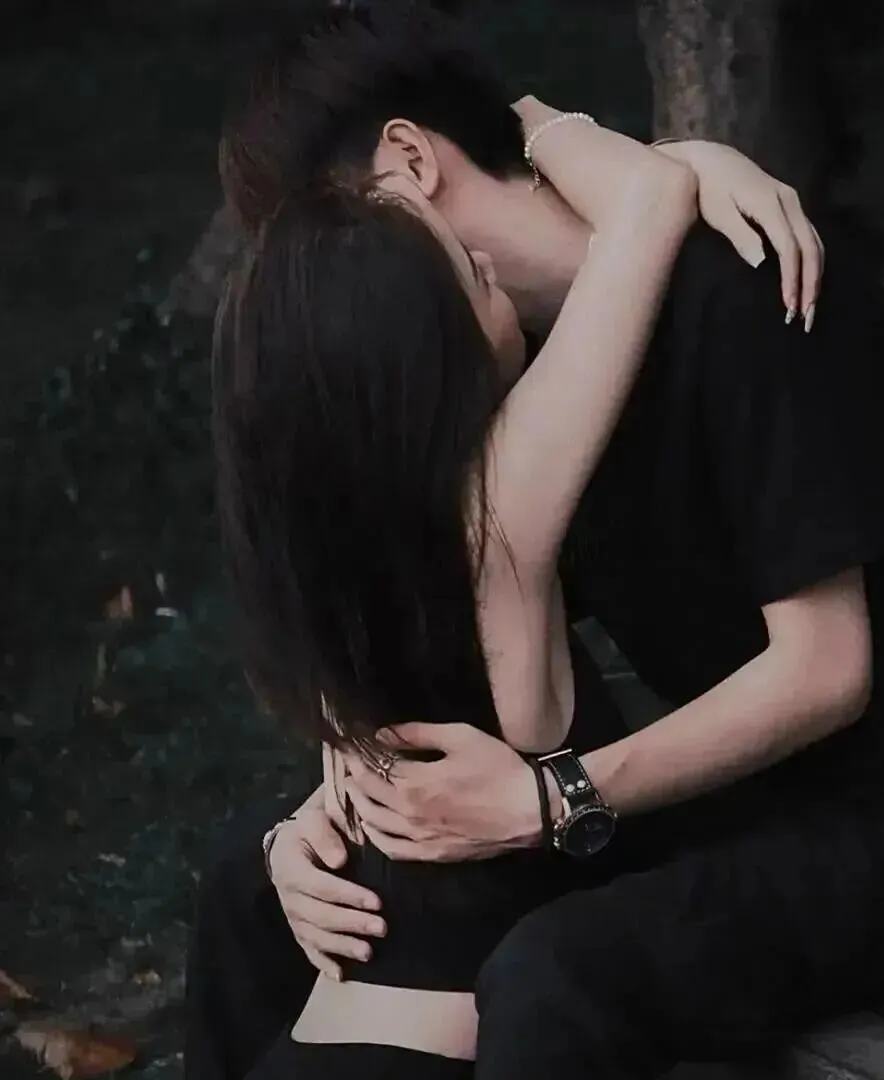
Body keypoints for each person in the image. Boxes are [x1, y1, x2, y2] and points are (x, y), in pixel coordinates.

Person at [187, 4, 884, 1080]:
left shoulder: (744, 293)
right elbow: (436, 640)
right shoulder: (508, 366)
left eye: (331, 220)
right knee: (254, 882)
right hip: (748, 793)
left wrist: (553, 800)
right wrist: (334, 809)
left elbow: (828, 671)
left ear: (411, 161)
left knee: (558, 977)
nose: (321, 270)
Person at [213, 89, 707, 1078]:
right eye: (469, 275)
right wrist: (534, 117)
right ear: (429, 356)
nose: (489, 265)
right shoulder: (495, 517)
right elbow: (652, 198)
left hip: (319, 1047)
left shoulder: (309, 552)